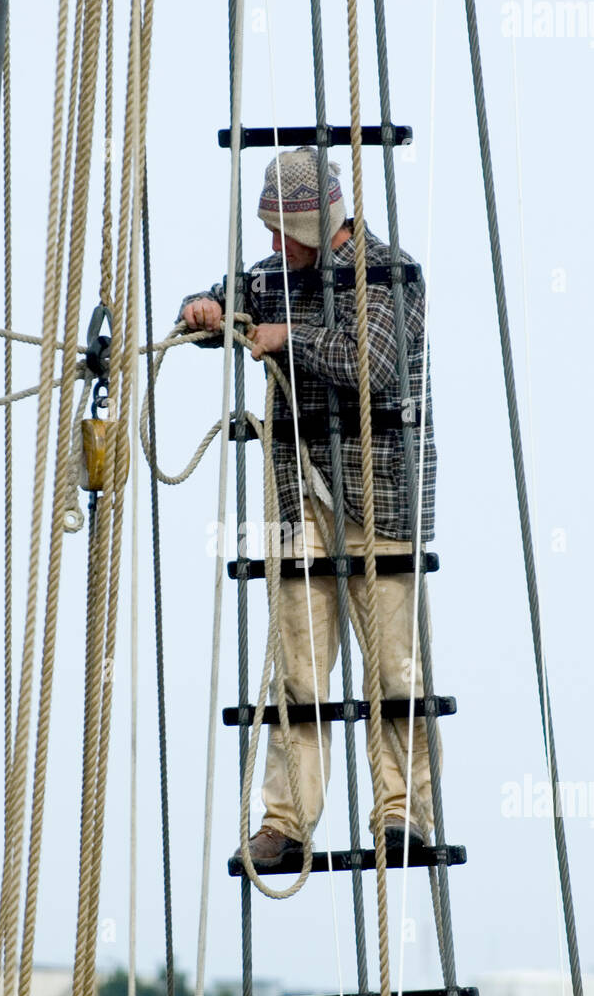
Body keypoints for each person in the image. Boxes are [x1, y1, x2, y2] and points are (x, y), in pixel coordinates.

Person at [179, 147, 441, 867]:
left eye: (284, 231)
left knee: (394, 672)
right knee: (296, 671)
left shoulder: (390, 273)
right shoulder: (270, 278)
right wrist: (203, 311)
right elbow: (215, 301)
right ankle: (286, 823)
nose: (271, 246)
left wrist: (283, 337)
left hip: (379, 497)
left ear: (324, 223)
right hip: (298, 500)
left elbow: (371, 360)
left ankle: (402, 816)